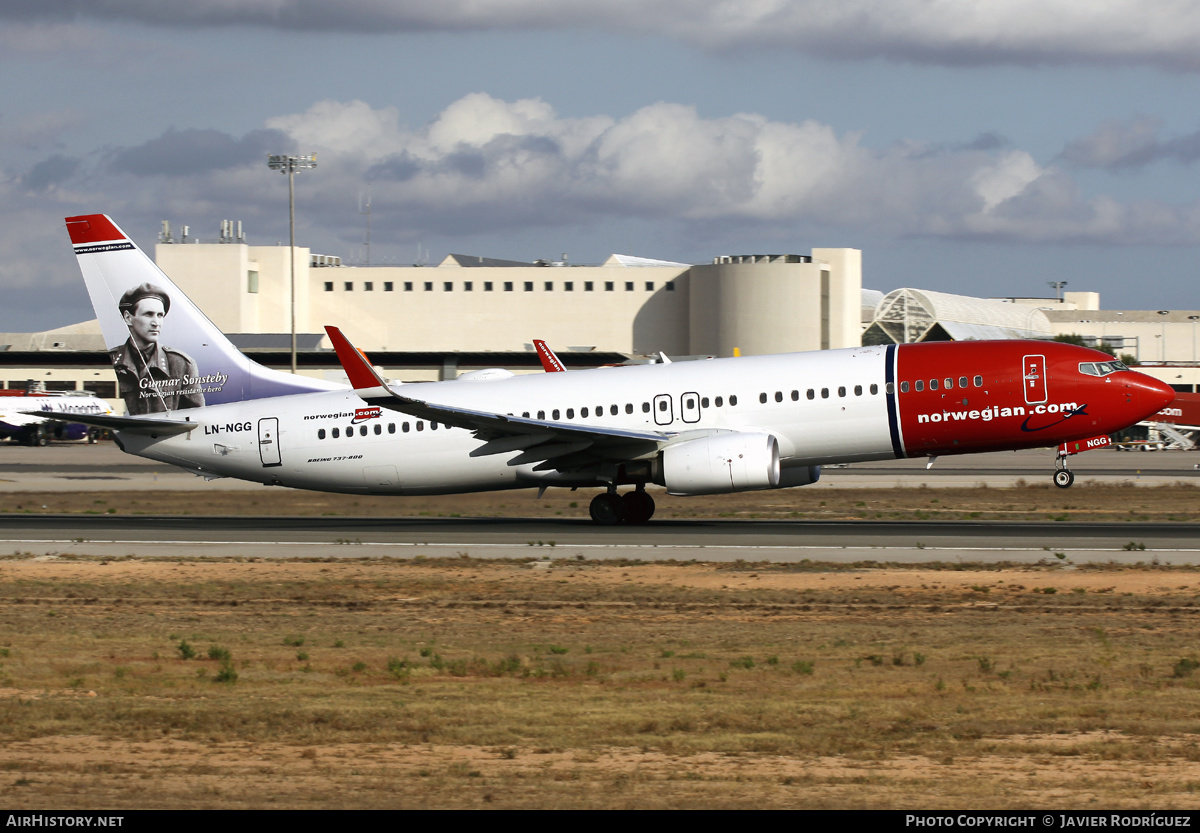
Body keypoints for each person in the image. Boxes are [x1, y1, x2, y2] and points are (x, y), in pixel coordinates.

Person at [110, 282, 205, 414]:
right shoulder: (113, 360)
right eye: (148, 314)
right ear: (128, 318)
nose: (156, 323)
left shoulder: (181, 364)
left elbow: (197, 415)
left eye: (160, 315)